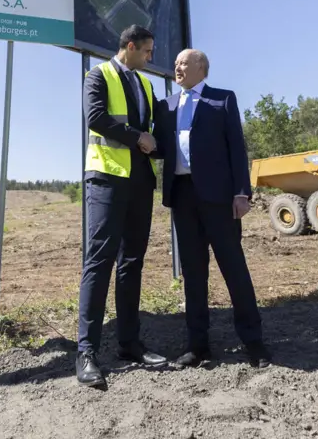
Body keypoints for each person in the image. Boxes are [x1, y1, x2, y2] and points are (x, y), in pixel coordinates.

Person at [155, 48, 270, 368]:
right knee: (193, 273)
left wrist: (241, 193)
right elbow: (160, 146)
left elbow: (237, 148)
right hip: (182, 196)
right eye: (176, 63)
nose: (177, 67)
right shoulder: (166, 105)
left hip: (219, 198)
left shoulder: (223, 99)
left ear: (201, 68)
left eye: (183, 63)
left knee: (233, 268)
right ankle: (197, 345)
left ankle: (253, 341)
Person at [75, 25, 167, 386]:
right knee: (99, 262)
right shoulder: (97, 76)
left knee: (132, 263)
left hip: (140, 183)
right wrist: (138, 137)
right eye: (147, 51)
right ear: (130, 46)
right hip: (106, 180)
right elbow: (96, 118)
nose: (150, 57)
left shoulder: (145, 84)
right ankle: (86, 352)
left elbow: (157, 132)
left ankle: (129, 344)